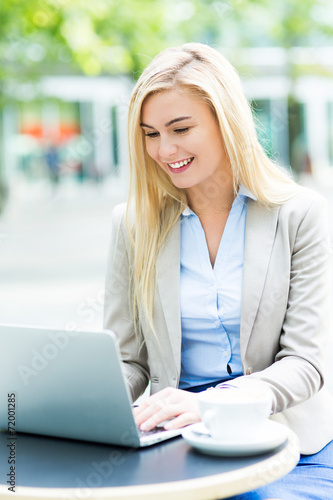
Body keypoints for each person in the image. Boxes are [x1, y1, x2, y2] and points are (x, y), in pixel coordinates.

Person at [103, 42, 333, 499]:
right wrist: (80, 401)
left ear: (225, 121)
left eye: (180, 128)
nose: (164, 150)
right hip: (177, 438)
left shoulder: (302, 215)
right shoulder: (132, 225)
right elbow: (128, 362)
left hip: (288, 439)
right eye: (150, 134)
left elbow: (307, 363)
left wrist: (209, 403)